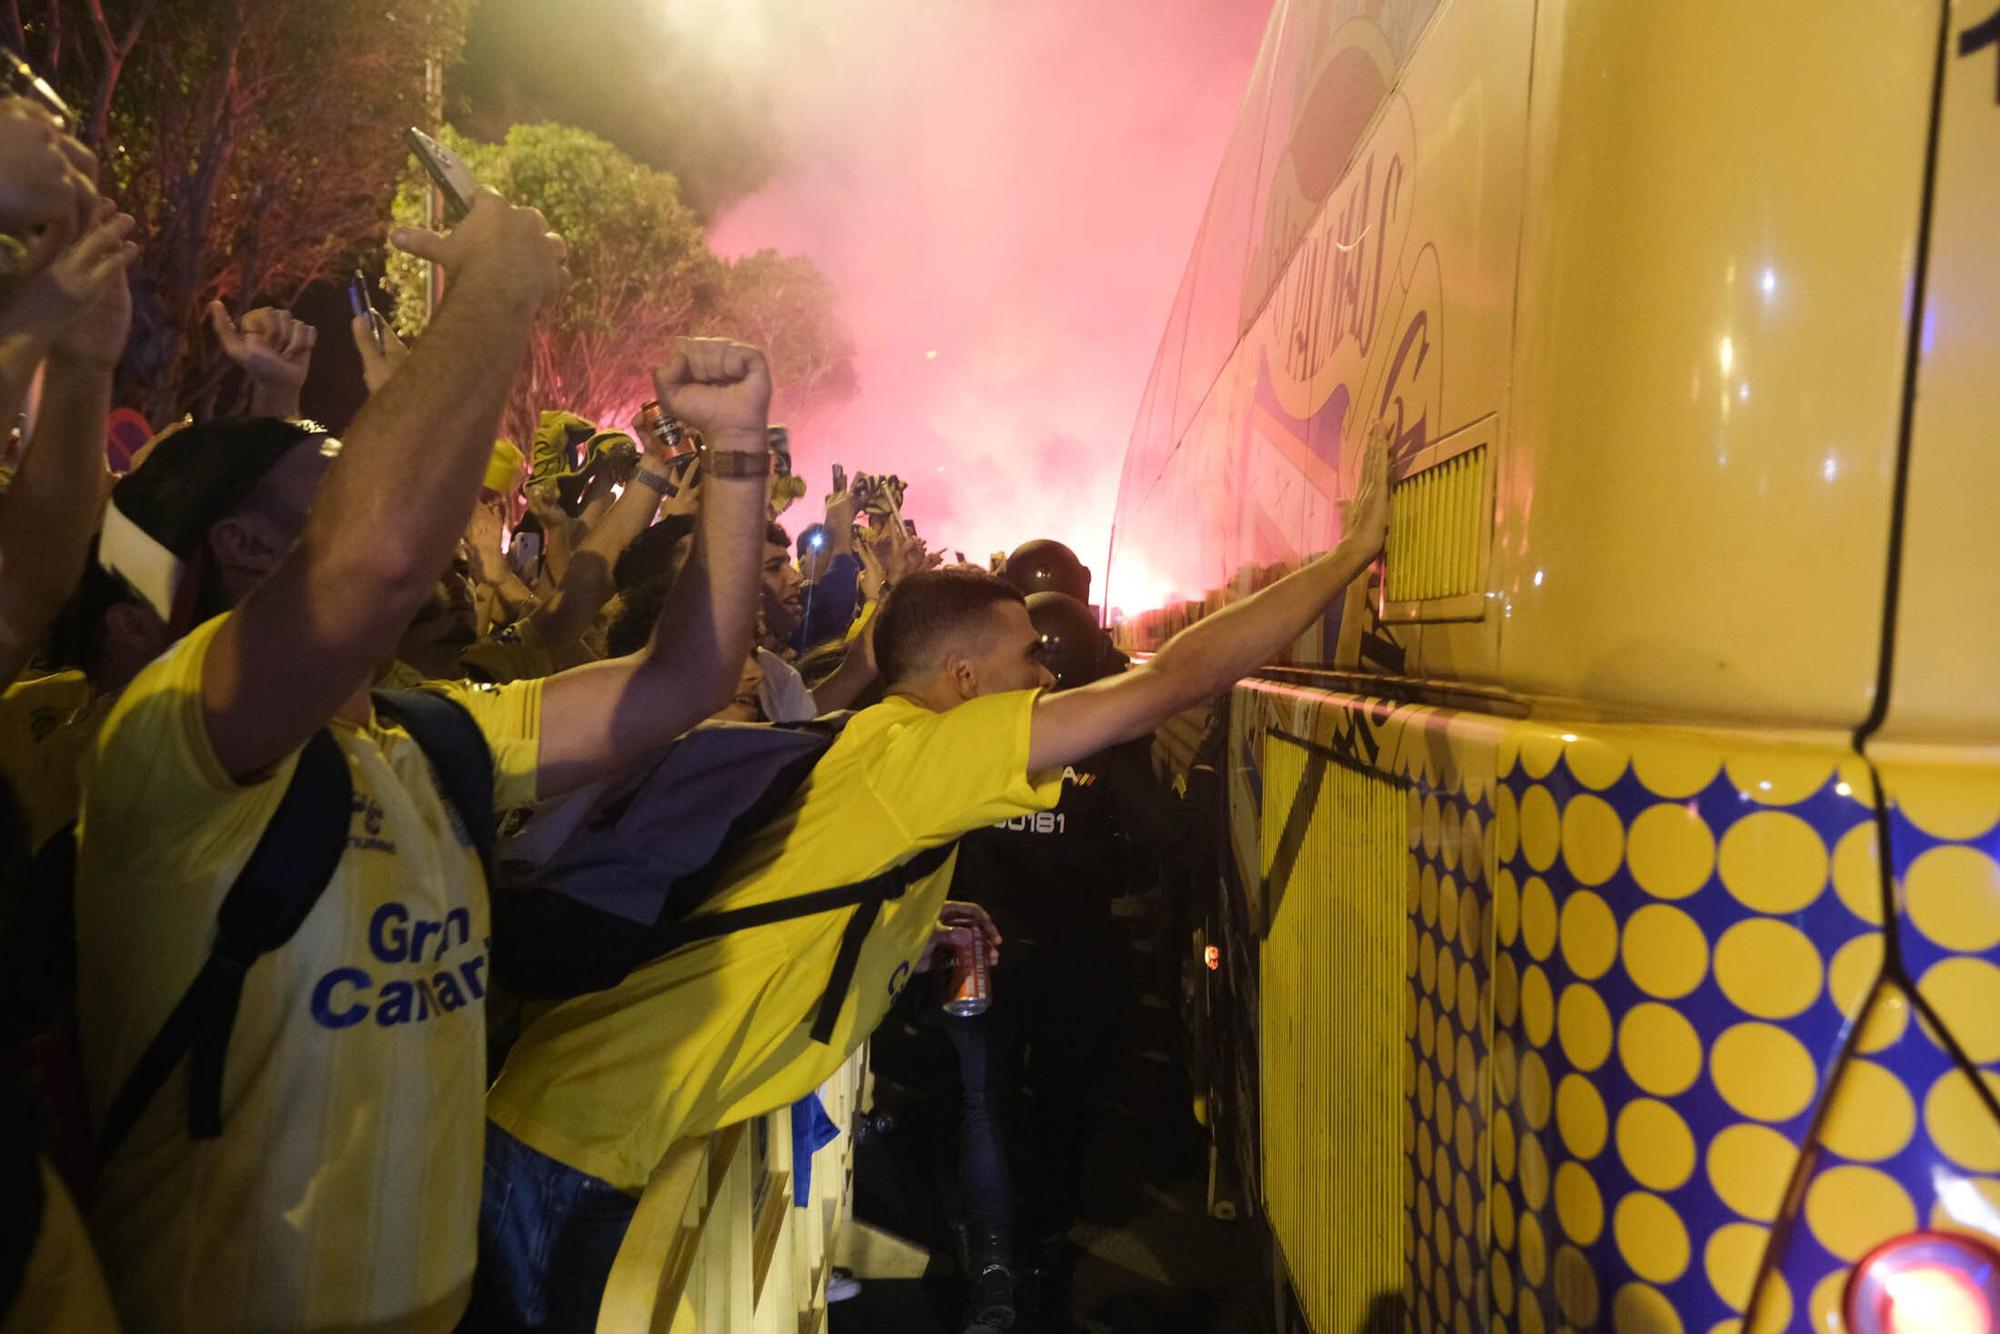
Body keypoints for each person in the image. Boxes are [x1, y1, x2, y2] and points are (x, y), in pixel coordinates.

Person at [476, 423, 1394, 1330]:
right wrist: (1350, 557)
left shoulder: (885, 753)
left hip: (595, 1129)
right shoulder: (921, 757)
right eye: (1029, 658)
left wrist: (914, 920)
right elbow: (1169, 684)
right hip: (579, 1146)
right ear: (962, 678)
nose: (1046, 673)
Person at [73, 184, 775, 1333]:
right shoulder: (174, 743)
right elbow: (375, 561)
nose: (408, 500)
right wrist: (495, 290)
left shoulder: (428, 740)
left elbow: (683, 683)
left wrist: (739, 450)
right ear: (249, 544)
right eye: (333, 479)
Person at [929, 590, 1180, 1334]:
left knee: (985, 1105)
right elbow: (1163, 839)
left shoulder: (969, 738)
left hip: (979, 954)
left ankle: (994, 1267)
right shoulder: (1097, 744)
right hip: (1076, 957)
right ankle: (1040, 1248)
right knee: (1062, 1108)